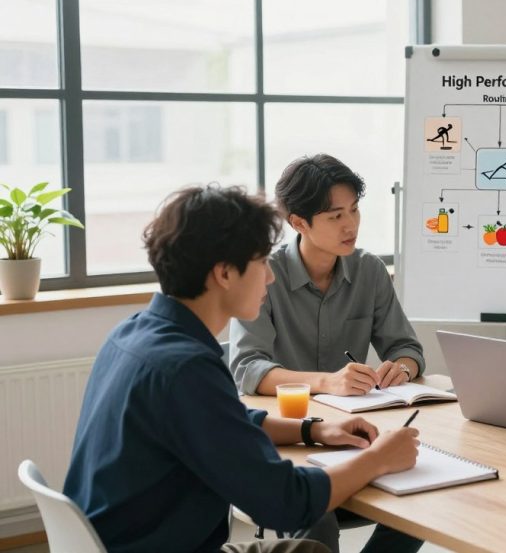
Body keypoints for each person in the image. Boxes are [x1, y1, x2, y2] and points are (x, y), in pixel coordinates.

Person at [63, 186, 420, 553]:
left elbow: (224, 419)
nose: (270, 277)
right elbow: (287, 503)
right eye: (262, 262)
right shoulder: (184, 369)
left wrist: (315, 429)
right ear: (224, 273)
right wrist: (378, 459)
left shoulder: (135, 333)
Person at [231, 153, 424, 398]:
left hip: (353, 419)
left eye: (354, 210)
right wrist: (327, 382)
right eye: (336, 216)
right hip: (285, 419)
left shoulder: (369, 270)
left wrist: (402, 368)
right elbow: (247, 368)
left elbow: (405, 347)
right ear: (299, 224)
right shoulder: (263, 275)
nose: (351, 225)